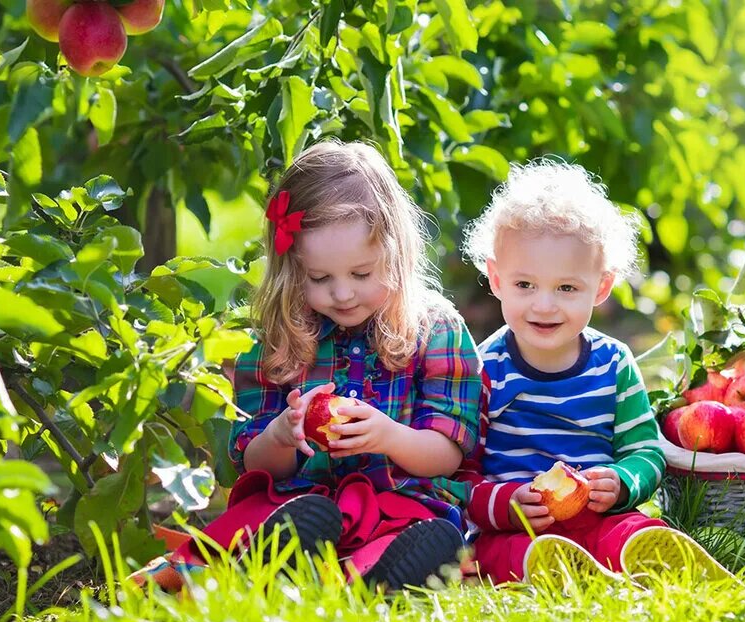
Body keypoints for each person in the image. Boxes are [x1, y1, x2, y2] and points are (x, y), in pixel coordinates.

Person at [133, 140, 484, 591]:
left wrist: (387, 435)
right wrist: (281, 434)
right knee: (284, 517)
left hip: (394, 502)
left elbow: (448, 453)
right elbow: (253, 463)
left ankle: (371, 574)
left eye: (361, 274)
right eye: (319, 278)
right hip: (297, 499)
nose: (342, 294)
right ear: (291, 269)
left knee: (424, 532)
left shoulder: (435, 329)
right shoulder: (276, 336)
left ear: (397, 254)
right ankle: (286, 559)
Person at [459, 160, 731, 584]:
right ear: (496, 278)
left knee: (632, 532)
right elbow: (461, 474)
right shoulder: (483, 369)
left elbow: (646, 452)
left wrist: (622, 483)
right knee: (501, 552)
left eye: (566, 288)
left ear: (601, 287)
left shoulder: (614, 363)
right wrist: (505, 503)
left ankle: (653, 562)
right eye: (524, 285)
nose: (544, 305)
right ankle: (552, 569)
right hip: (518, 526)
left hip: (596, 518)